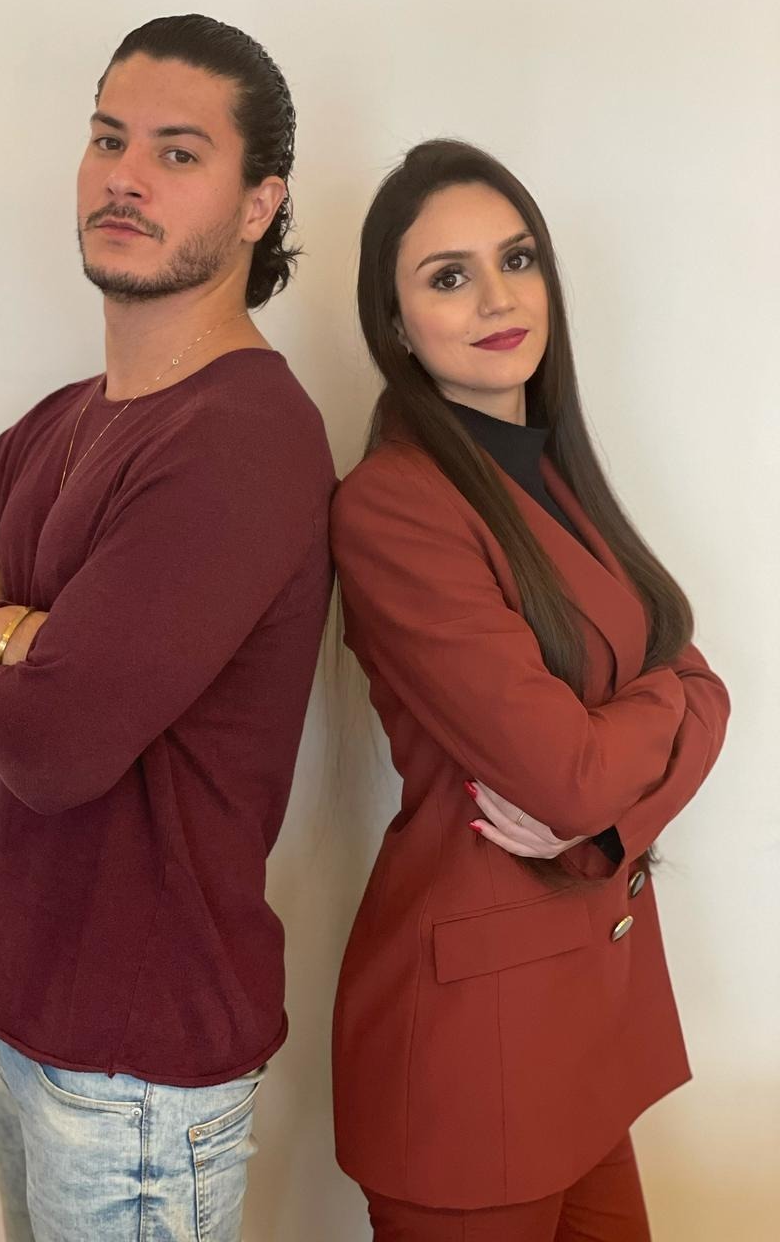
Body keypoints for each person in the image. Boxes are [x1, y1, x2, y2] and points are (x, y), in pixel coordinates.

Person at [0, 14, 335, 1242]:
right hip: (22, 1015)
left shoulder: (243, 435)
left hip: (139, 1070)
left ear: (259, 203)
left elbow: (54, 742)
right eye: (108, 138)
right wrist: (9, 633)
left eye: (178, 152)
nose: (125, 176)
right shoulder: (57, 422)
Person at [329, 139, 730, 1241]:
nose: (498, 298)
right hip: (474, 1050)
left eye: (517, 259)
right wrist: (662, 705)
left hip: (585, 1019)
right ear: (395, 322)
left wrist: (614, 799)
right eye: (448, 276)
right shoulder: (395, 505)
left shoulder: (552, 473)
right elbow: (568, 773)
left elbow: (701, 689)